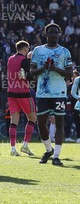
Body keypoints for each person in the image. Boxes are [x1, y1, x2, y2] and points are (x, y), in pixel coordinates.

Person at [29, 23, 73, 166]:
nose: (53, 35)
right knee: (41, 123)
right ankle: (48, 149)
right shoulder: (38, 51)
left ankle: (56, 156)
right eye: (51, 32)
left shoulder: (64, 52)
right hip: (42, 93)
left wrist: (54, 68)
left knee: (59, 123)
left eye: (56, 32)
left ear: (59, 34)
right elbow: (32, 72)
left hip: (59, 92)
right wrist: (44, 68)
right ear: (45, 34)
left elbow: (69, 74)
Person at [6, 41, 37, 156]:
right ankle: (25, 145)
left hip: (11, 92)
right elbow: (29, 77)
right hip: (23, 92)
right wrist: (29, 61)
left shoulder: (10, 59)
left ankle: (13, 149)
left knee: (13, 121)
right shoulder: (24, 61)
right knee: (32, 118)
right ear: (25, 49)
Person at [69, 70, 80, 143]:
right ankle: (79, 137)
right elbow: (73, 92)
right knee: (78, 122)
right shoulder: (78, 79)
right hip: (79, 105)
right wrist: (78, 98)